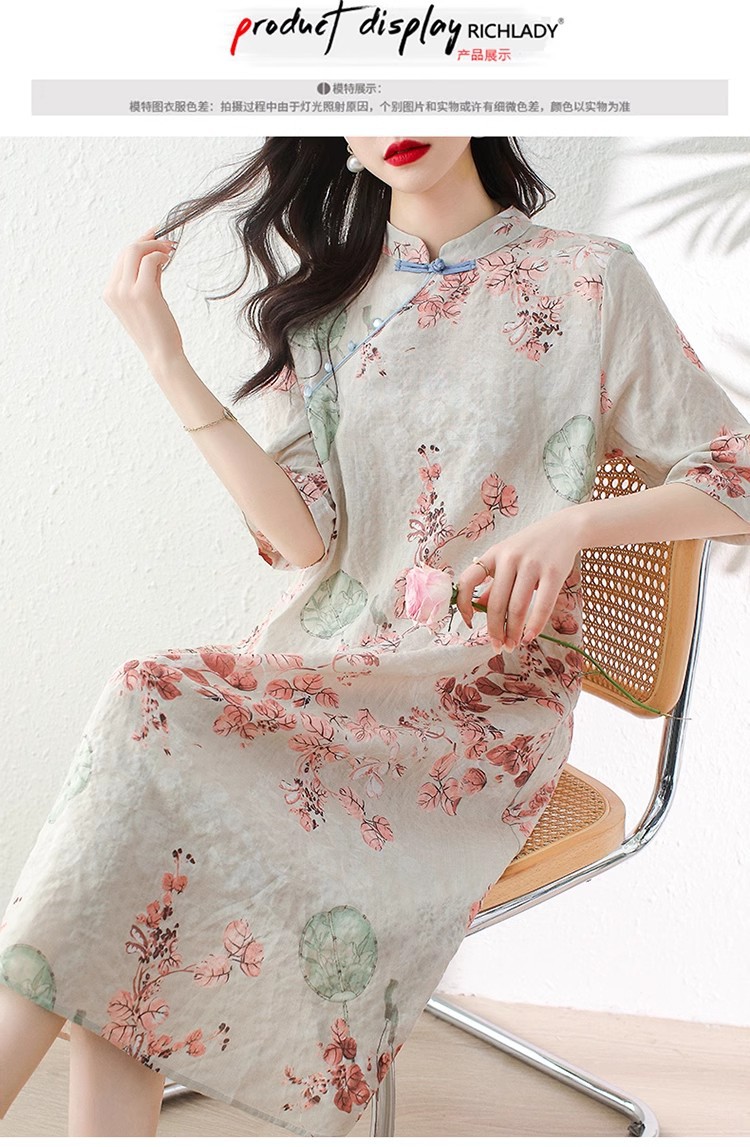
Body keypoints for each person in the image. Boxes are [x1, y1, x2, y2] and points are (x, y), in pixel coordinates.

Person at [1, 136, 749, 1138]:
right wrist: (165, 359)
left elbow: (735, 471)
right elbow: (302, 539)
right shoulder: (333, 307)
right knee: (147, 829)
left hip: (477, 704)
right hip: (327, 676)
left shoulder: (588, 279)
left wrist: (578, 522)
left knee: (151, 706)